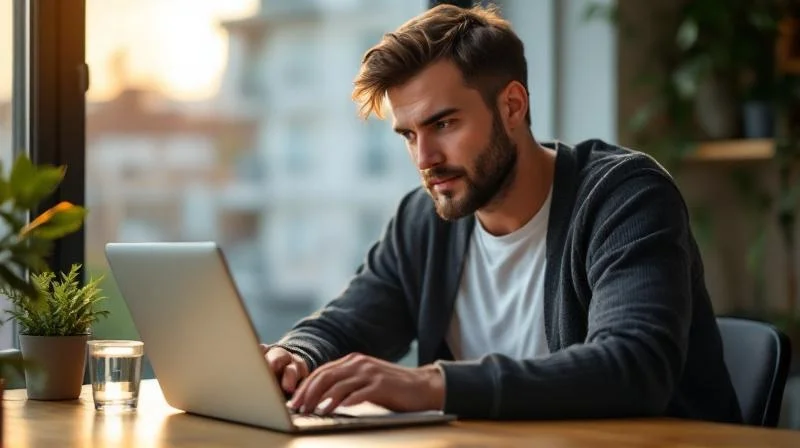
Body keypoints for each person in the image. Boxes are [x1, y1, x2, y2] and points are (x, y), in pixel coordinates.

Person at [260, 3, 743, 423]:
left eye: (443, 124)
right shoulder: (424, 220)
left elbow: (633, 366)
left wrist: (431, 385)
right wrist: (294, 355)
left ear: (512, 106)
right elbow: (349, 323)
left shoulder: (624, 197)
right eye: (409, 135)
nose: (424, 159)